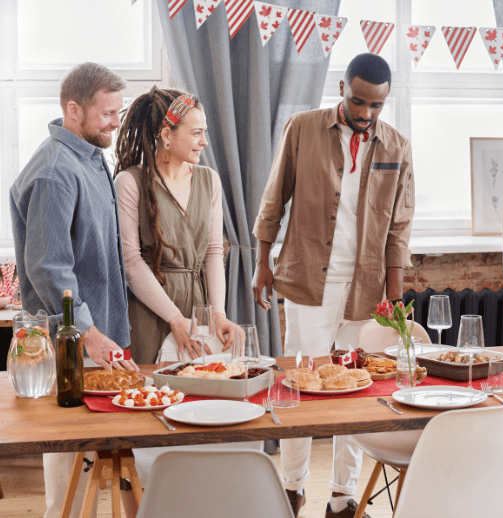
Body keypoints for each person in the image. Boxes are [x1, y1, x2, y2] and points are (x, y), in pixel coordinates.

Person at [252, 53, 414, 518]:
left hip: (365, 287)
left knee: (357, 390)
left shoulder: (398, 146)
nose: (365, 114)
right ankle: (292, 487)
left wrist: (395, 293)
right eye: (358, 101)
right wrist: (263, 263)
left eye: (376, 106)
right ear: (342, 87)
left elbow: (400, 225)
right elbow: (273, 197)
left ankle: (343, 496)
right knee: (301, 385)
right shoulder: (303, 127)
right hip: (306, 279)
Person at [10, 62, 138, 518]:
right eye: (107, 113)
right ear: (73, 109)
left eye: (118, 112)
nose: (115, 122)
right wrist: (91, 333)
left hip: (100, 340)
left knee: (103, 463)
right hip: (73, 346)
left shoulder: (90, 157)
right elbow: (48, 269)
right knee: (67, 479)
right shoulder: (54, 172)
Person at [114, 86, 235, 365]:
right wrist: (174, 319)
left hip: (199, 309)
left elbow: (214, 251)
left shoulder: (209, 180)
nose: (204, 142)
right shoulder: (130, 182)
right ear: (167, 135)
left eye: (204, 132)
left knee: (204, 388)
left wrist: (218, 314)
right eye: (196, 133)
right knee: (151, 395)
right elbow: (131, 262)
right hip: (149, 311)